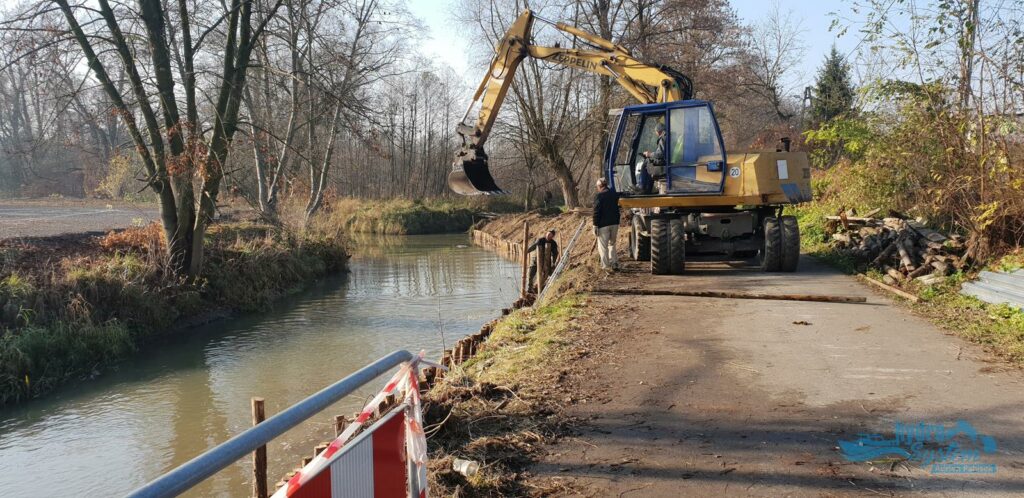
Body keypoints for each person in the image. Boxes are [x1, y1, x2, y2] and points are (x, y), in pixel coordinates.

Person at [593, 178, 620, 270]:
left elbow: (596, 211)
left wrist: (595, 224)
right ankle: (614, 263)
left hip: (603, 225)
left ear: (600, 186)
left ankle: (605, 266)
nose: (597, 188)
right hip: (615, 223)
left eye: (597, 187)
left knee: (603, 246)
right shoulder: (614, 194)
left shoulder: (599, 196)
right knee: (612, 243)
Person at [637, 122, 666, 194]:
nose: (656, 133)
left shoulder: (663, 138)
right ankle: (647, 188)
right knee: (650, 165)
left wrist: (649, 154)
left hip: (663, 161)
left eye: (656, 131)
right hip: (665, 160)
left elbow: (660, 154)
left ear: (658, 131)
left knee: (646, 162)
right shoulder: (666, 137)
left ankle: (642, 186)